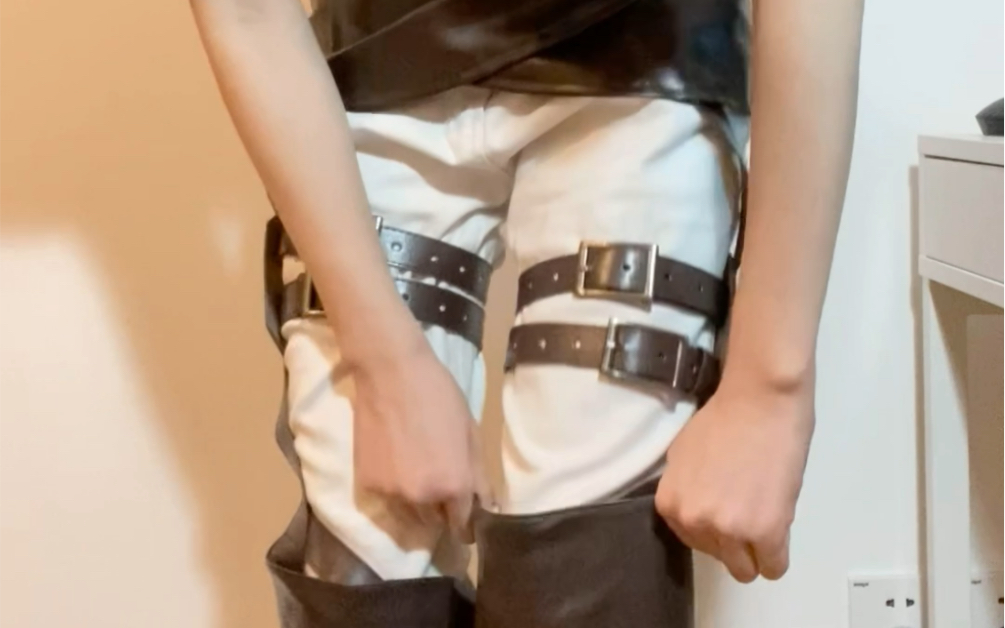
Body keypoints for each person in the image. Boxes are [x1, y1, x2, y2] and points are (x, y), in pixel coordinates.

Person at [189, 0, 865, 625]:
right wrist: (384, 365)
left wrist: (769, 386)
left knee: (588, 552)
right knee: (363, 552)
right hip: (375, 59)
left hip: (646, 57)